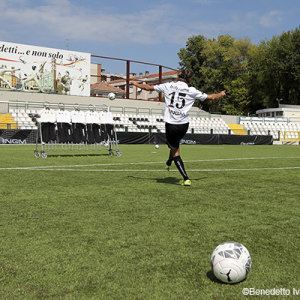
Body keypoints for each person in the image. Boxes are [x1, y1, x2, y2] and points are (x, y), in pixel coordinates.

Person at [132, 69, 226, 186]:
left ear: (178, 76)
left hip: (171, 124)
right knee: (175, 145)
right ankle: (168, 162)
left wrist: (136, 84)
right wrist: (220, 94)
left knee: (175, 151)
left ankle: (186, 178)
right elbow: (211, 97)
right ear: (189, 79)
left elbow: (148, 88)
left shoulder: (168, 86)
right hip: (184, 124)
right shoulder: (191, 90)